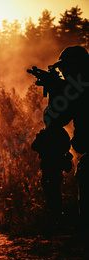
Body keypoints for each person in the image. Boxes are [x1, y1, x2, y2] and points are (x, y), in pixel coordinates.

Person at [40, 46, 89, 230]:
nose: (65, 72)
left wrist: (55, 92)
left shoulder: (79, 86)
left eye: (67, 67)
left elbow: (55, 118)